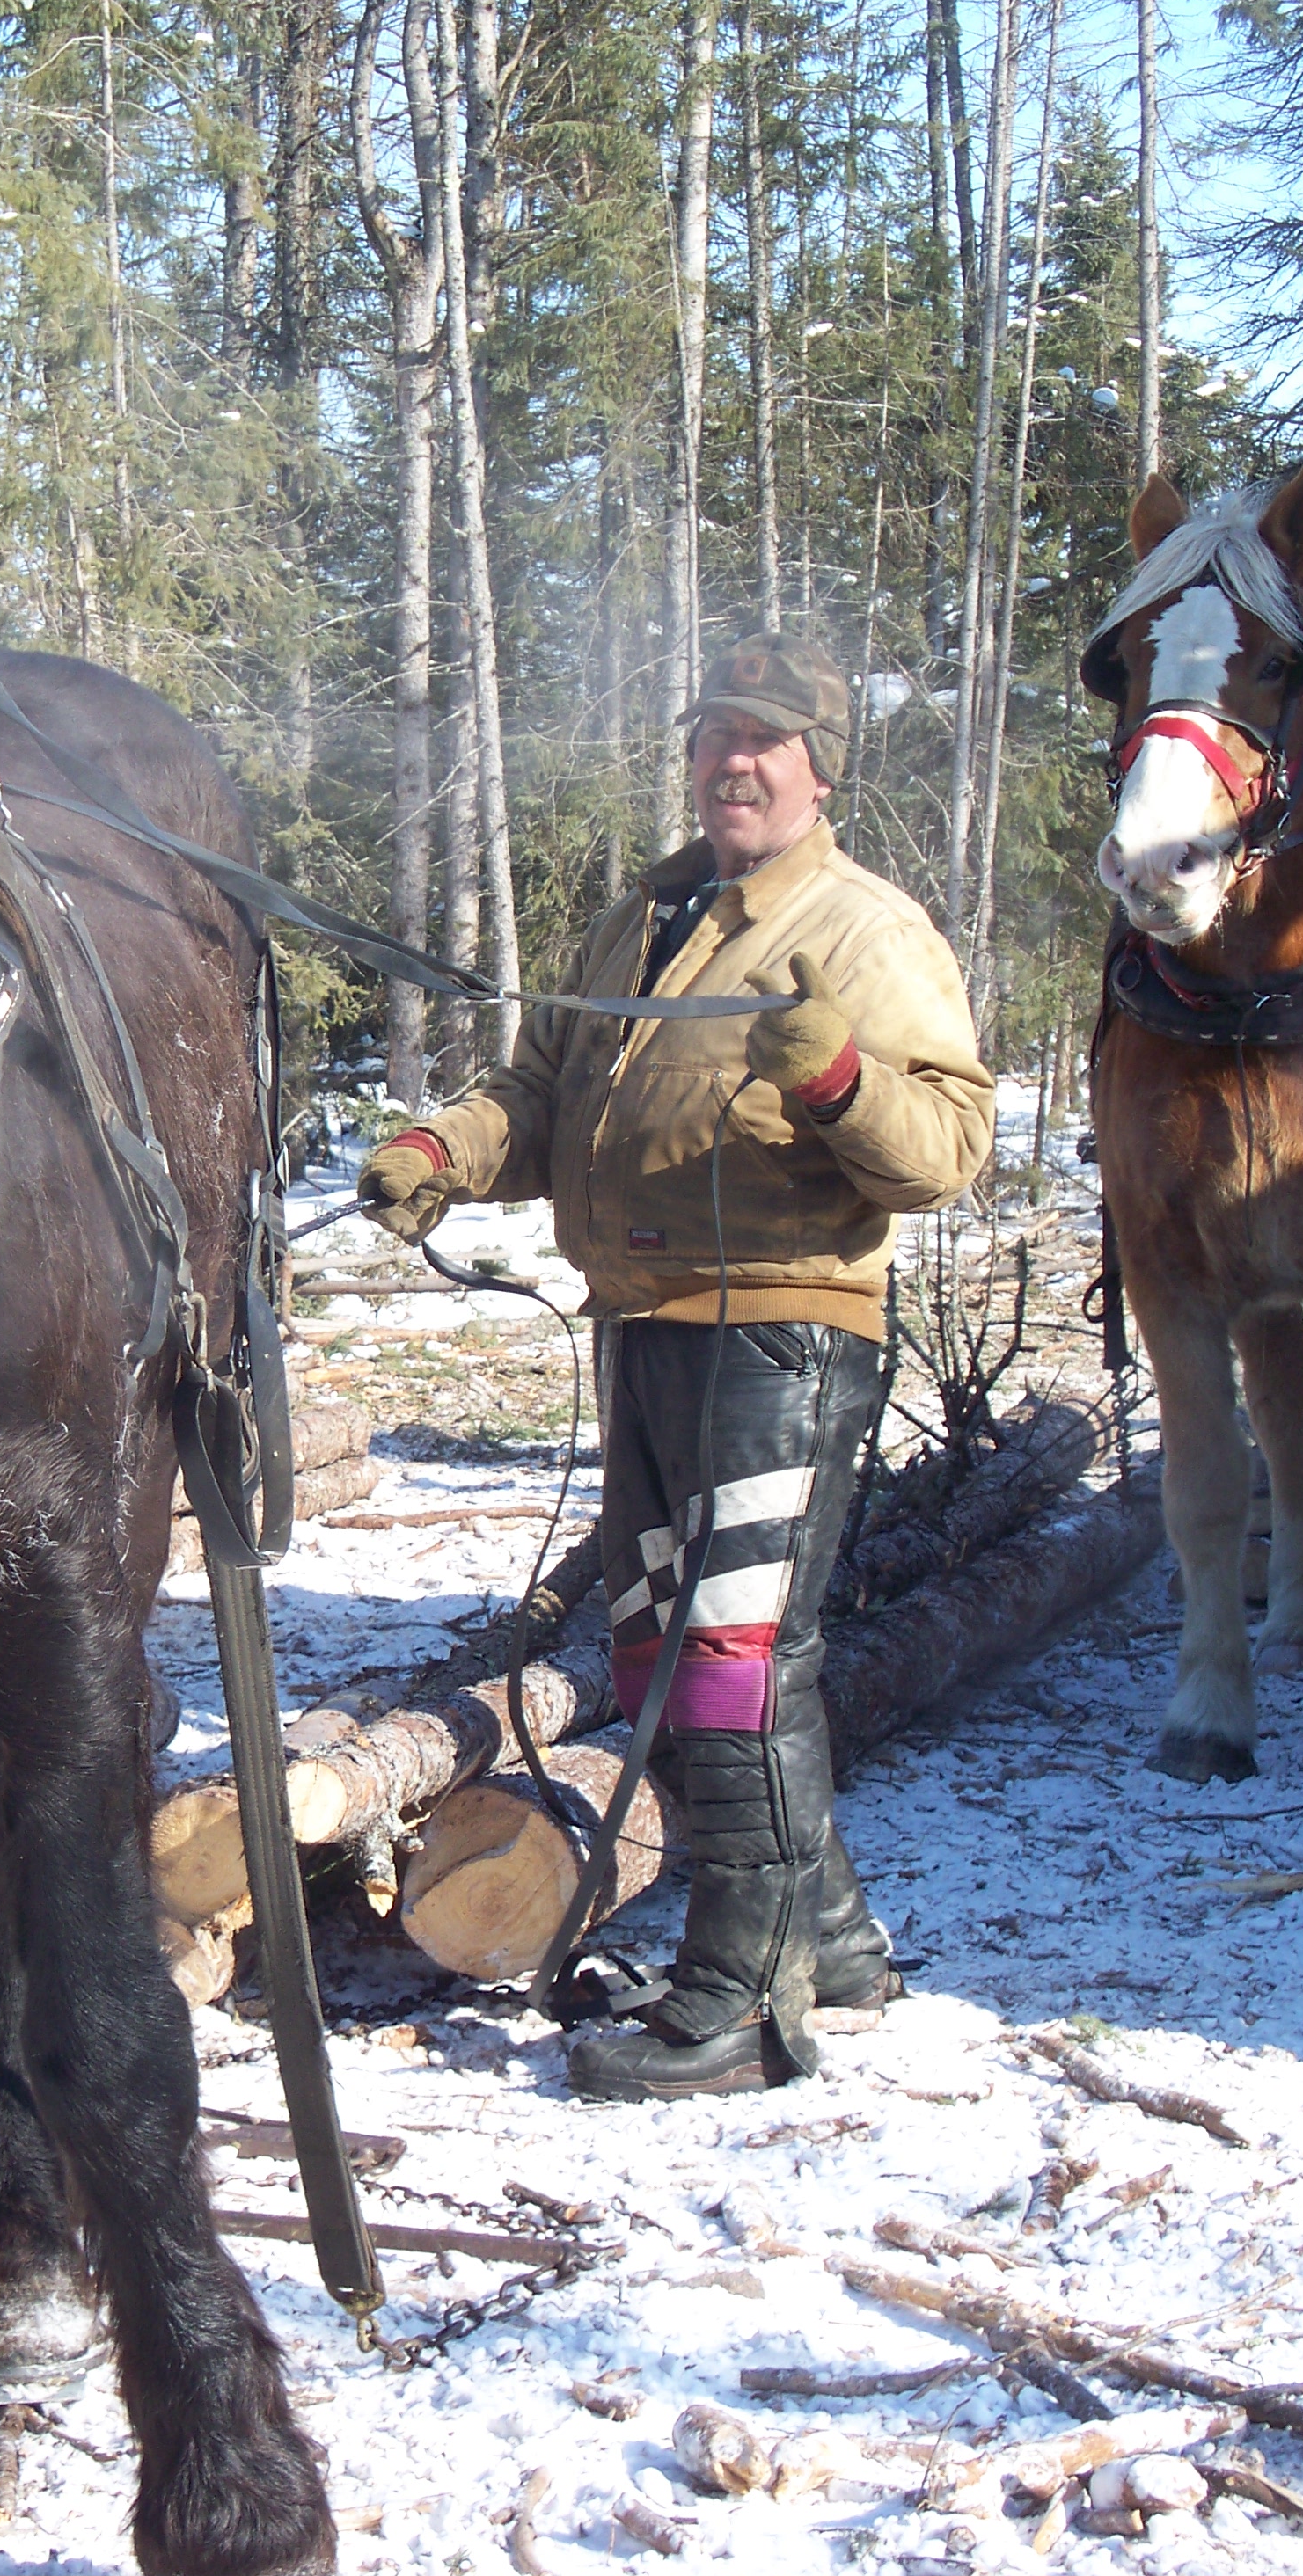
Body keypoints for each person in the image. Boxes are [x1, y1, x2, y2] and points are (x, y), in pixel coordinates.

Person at [352, 632, 992, 2102]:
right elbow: (547, 1088)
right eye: (716, 736)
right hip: (642, 1328)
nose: (735, 763)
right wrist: (444, 1151)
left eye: (766, 742)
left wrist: (834, 1077)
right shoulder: (648, 914)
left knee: (732, 1664)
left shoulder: (864, 928)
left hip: (783, 1337)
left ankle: (744, 1997)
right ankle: (822, 1939)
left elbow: (945, 1153)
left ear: (822, 768)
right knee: (664, 1655)